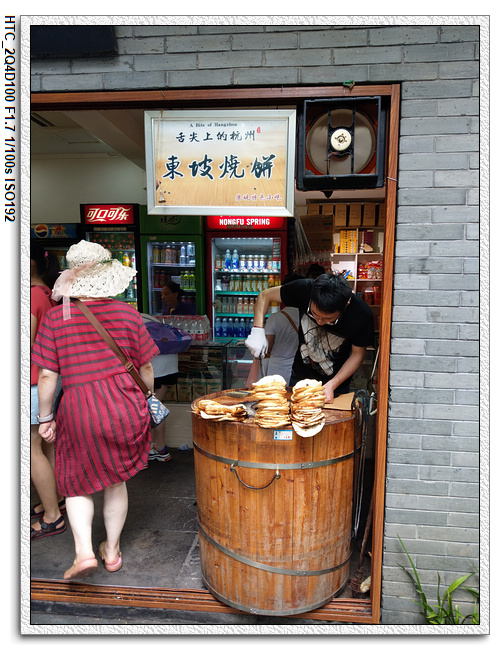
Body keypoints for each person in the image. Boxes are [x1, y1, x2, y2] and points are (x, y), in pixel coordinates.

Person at [31, 240, 159, 580]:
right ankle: (112, 552)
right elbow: (146, 367)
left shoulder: (56, 318)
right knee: (116, 481)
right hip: (124, 404)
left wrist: (45, 418)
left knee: (76, 484)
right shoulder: (127, 313)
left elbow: (47, 376)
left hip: (79, 408)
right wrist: (146, 398)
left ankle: (84, 552)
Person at [245, 273, 374, 403]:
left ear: (346, 305)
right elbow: (265, 295)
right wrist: (257, 330)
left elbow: (358, 354)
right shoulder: (305, 288)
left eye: (328, 319)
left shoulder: (361, 314)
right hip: (300, 376)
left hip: (336, 382)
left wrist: (333, 384)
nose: (319, 322)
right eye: (314, 314)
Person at [30, 242, 66, 540]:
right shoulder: (47, 294)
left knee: (31, 448)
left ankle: (53, 516)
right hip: (51, 379)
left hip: (35, 381)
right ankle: (56, 499)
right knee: (49, 444)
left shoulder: (31, 297)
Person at [245, 273, 303, 387]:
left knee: (275, 396)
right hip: (299, 370)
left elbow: (268, 347)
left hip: (277, 369)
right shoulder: (307, 316)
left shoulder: (275, 318)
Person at [141, 313, 177, 463]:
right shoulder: (149, 318)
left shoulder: (130, 320)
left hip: (153, 367)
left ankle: (143, 455)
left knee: (146, 409)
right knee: (156, 406)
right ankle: (160, 448)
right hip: (170, 363)